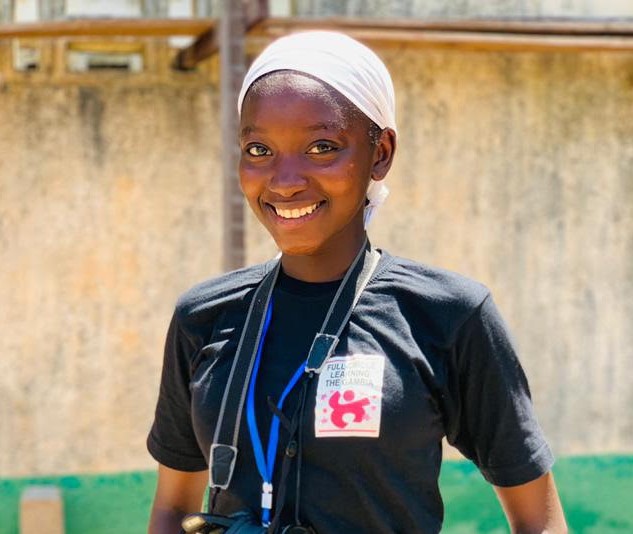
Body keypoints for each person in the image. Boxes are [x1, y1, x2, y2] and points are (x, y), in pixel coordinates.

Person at [147, 31, 567, 534]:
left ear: (381, 152)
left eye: (321, 147)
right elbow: (172, 509)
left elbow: (538, 520)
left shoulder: (447, 314)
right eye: (258, 149)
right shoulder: (204, 316)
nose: (284, 180)